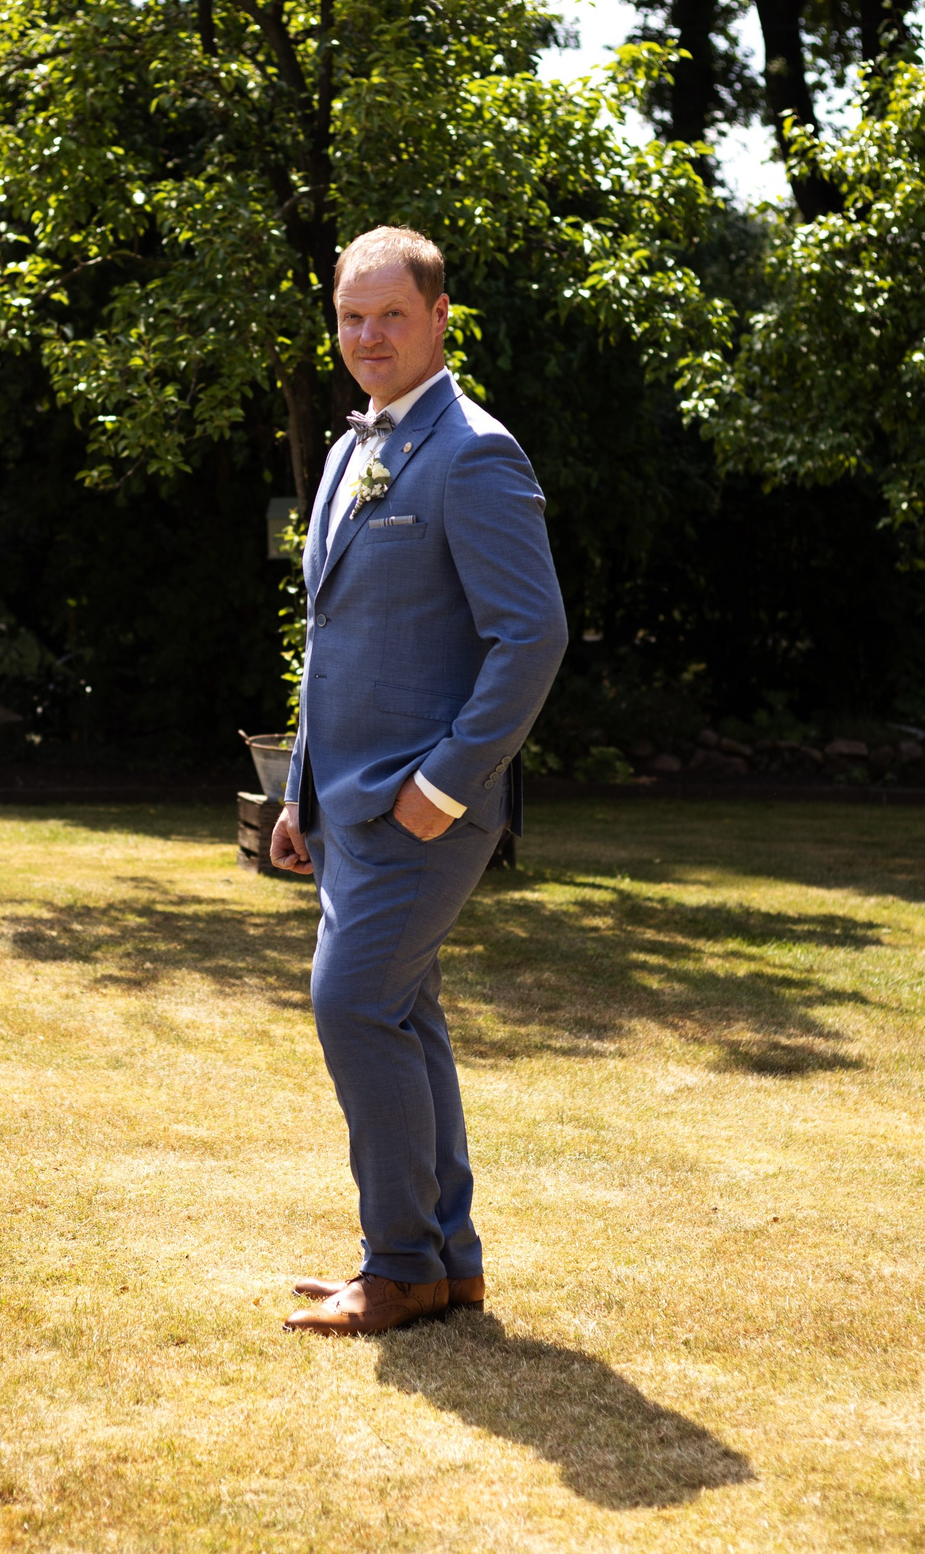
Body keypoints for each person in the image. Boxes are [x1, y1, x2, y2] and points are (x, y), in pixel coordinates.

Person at [270, 228, 568, 1336]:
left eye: (390, 315)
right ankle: (446, 1263)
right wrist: (298, 789)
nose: (366, 337)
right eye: (351, 317)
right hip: (342, 802)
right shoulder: (356, 449)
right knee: (404, 1012)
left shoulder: (474, 452)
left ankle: (395, 1267)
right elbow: (335, 633)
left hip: (420, 806)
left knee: (351, 1004)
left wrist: (443, 786)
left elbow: (531, 637)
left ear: (441, 316)